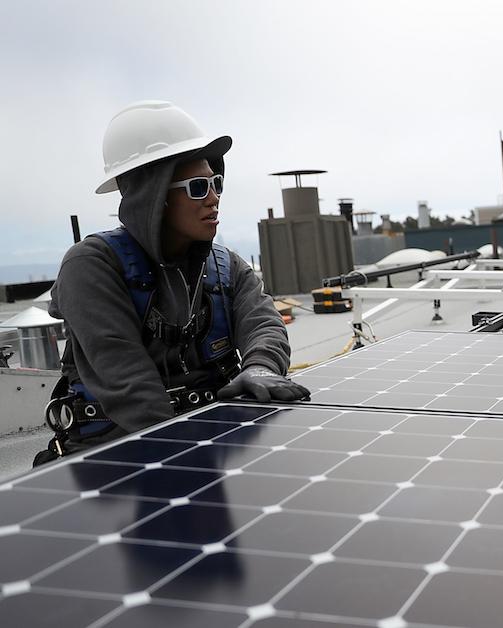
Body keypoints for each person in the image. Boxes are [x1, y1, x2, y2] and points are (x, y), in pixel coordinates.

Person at [41, 101, 309, 463]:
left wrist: (260, 366)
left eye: (216, 183)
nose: (214, 198)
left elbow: (264, 323)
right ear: (153, 195)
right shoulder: (91, 266)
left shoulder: (227, 266)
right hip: (119, 460)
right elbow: (129, 382)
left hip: (215, 440)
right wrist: (191, 462)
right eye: (198, 187)